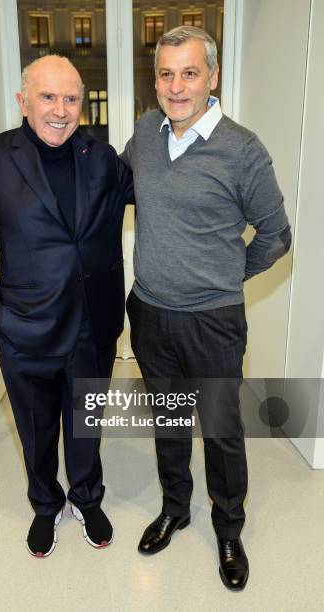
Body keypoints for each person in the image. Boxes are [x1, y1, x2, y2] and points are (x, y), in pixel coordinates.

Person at [122, 25, 291, 590]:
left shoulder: (243, 150)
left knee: (220, 430)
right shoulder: (146, 133)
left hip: (213, 321)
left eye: (189, 73)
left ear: (212, 77)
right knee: (168, 421)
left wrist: (226, 275)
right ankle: (176, 507)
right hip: (149, 313)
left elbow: (274, 234)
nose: (176, 86)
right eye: (166, 74)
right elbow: (116, 190)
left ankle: (228, 527)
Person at [0, 55, 133, 557]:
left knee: (87, 420)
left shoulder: (99, 157)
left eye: (71, 98)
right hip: (25, 330)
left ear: (83, 102)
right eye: (48, 97)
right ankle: (44, 503)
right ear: (23, 101)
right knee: (36, 431)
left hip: (93, 327)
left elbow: (153, 187)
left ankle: (86, 495)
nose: (60, 110)